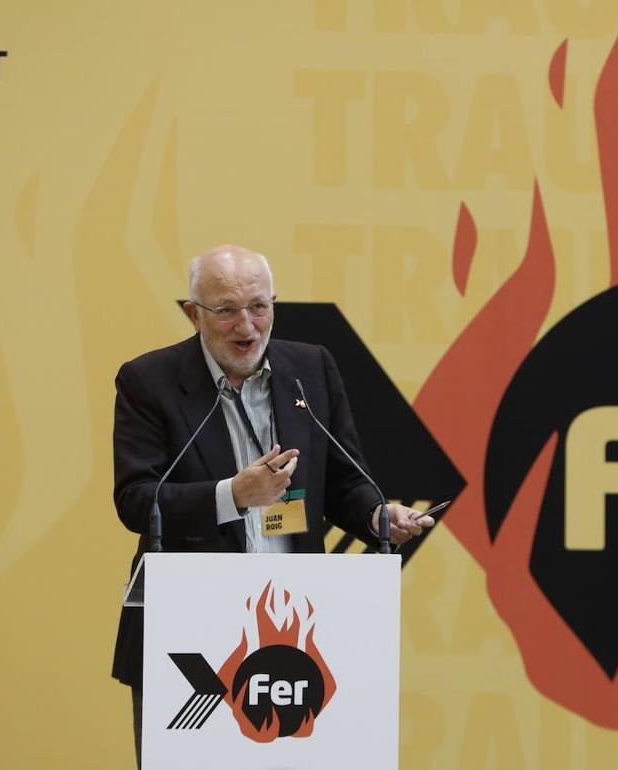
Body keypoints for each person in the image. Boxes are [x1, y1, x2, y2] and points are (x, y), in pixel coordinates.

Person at [111, 244, 433, 765]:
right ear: (195, 314)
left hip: (297, 638)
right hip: (190, 640)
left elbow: (344, 482)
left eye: (259, 307)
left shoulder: (311, 368)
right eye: (226, 310)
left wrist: (377, 515)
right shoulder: (149, 382)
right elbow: (136, 500)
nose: (247, 325)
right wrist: (233, 495)